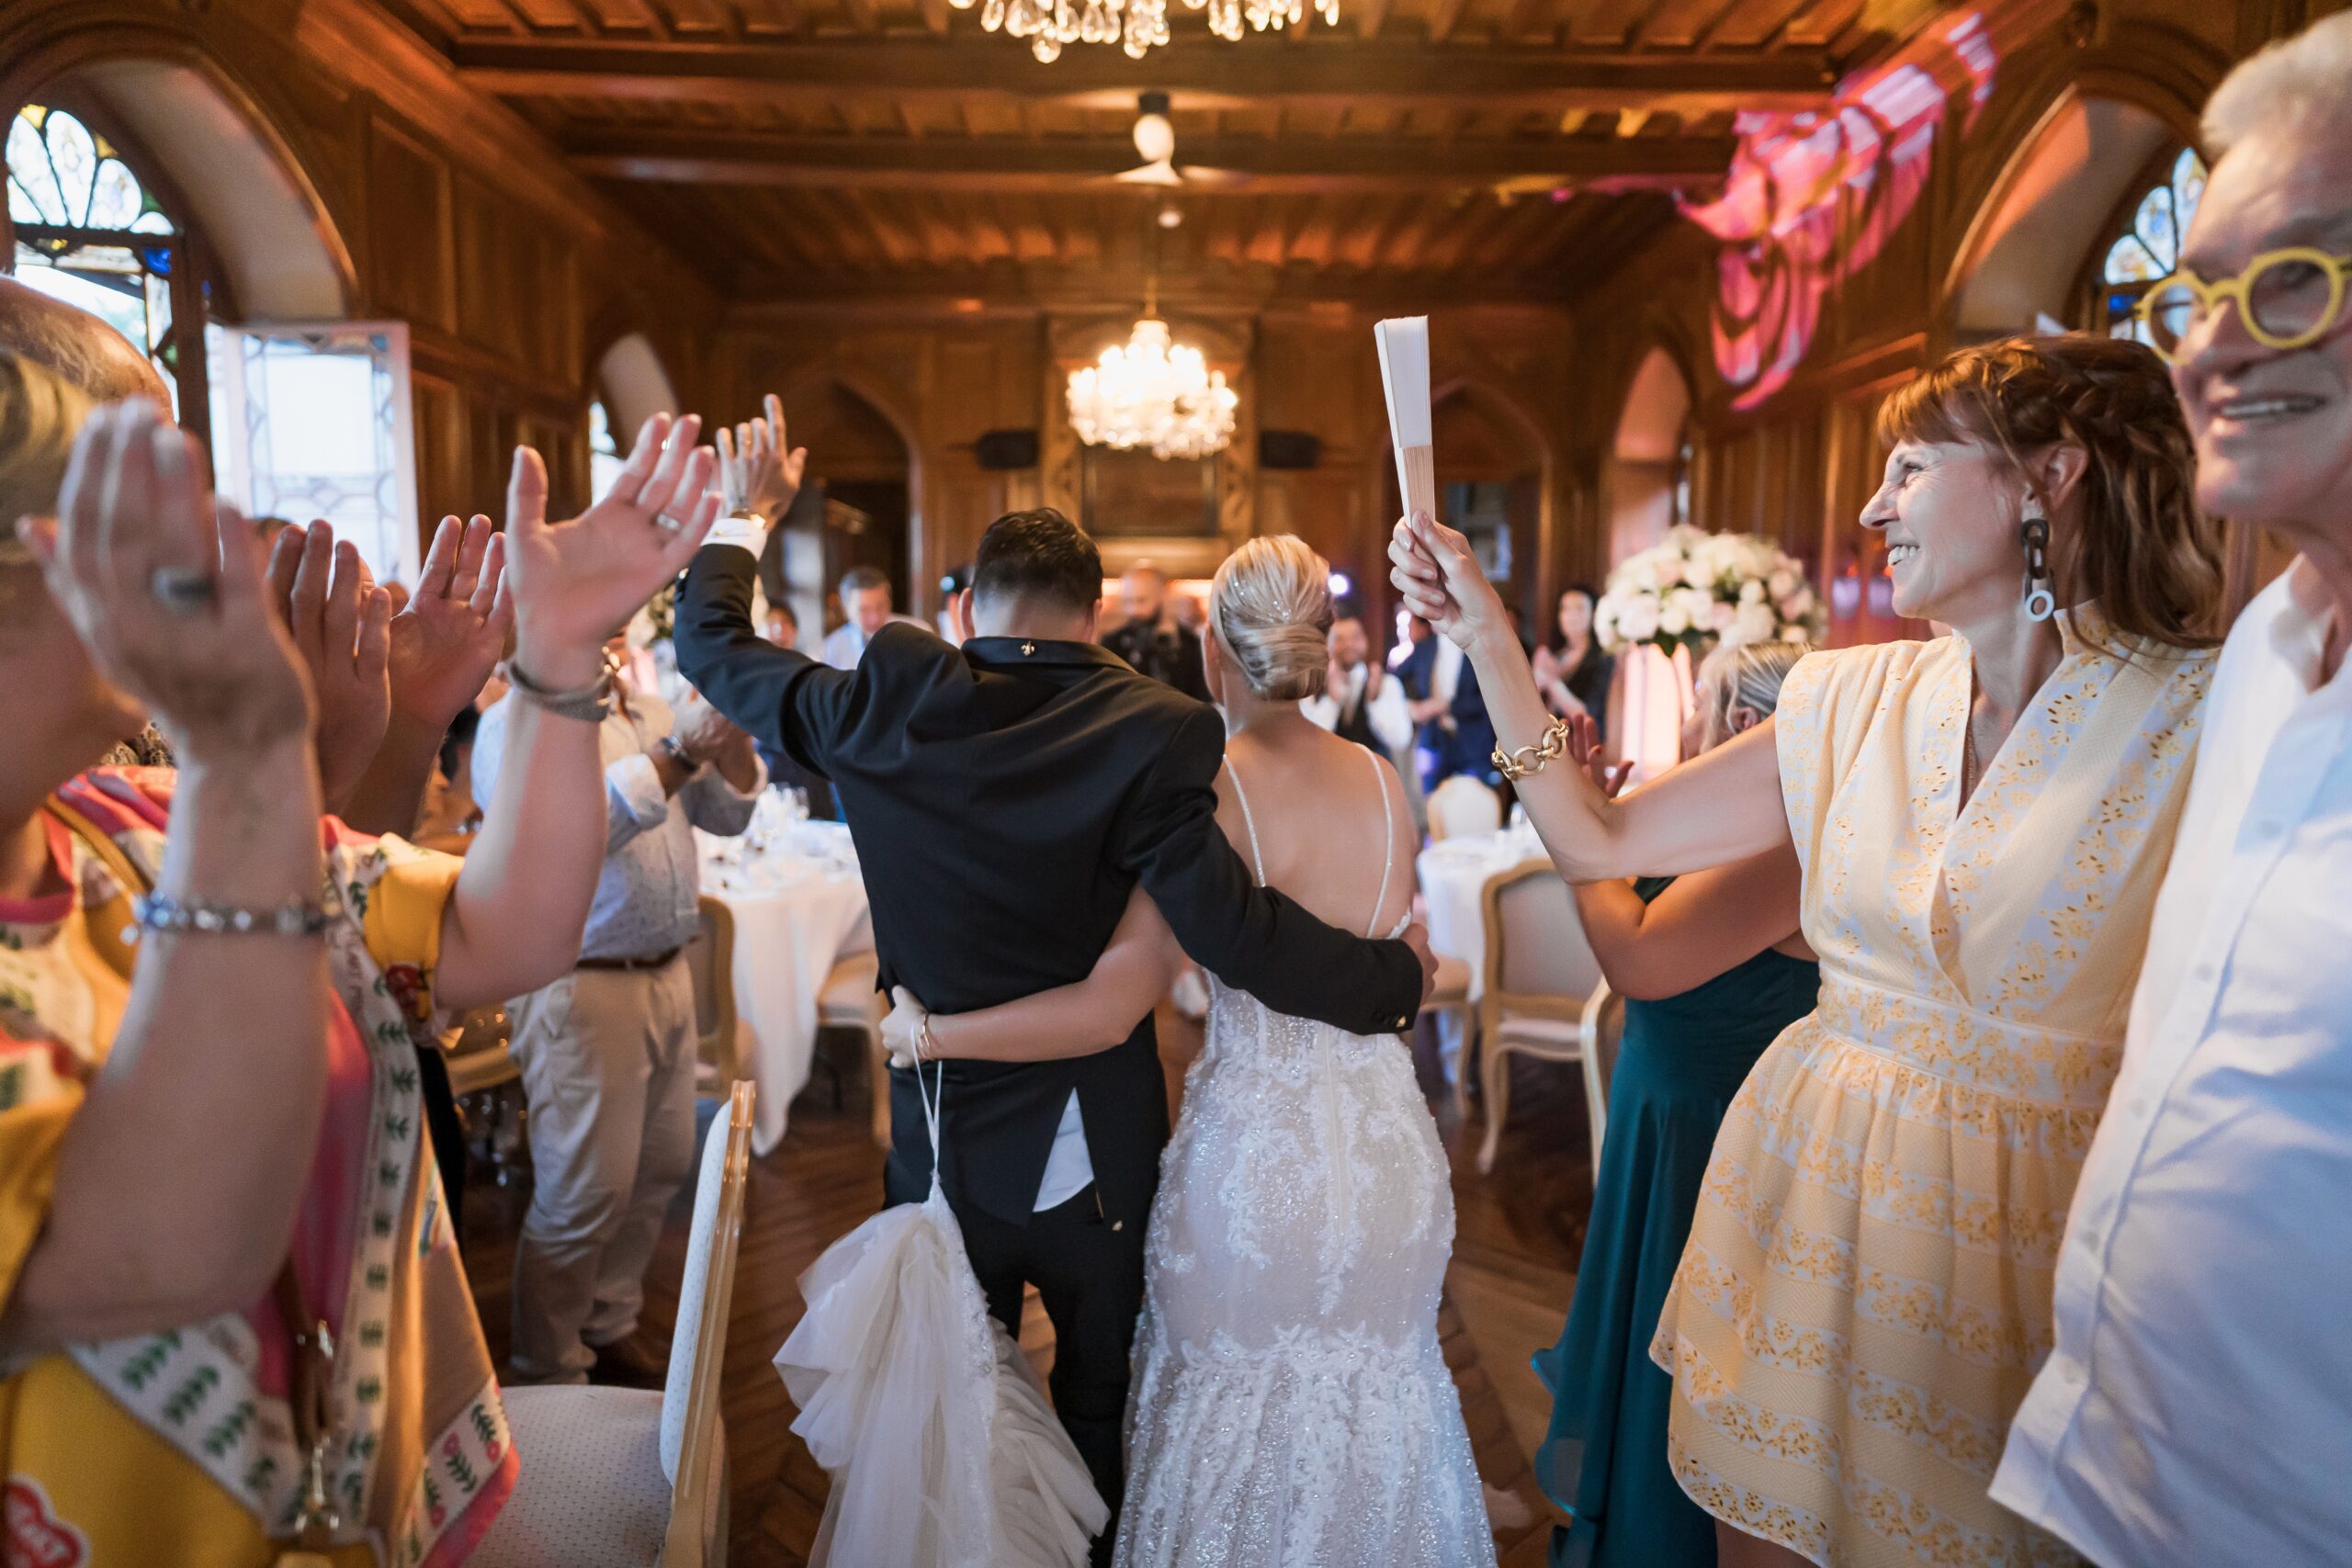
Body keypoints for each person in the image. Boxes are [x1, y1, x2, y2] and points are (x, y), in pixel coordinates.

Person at [1392, 333, 2224, 1568]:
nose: (1870, 504)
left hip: (2041, 1235)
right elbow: (1600, 828)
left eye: (1911, 468)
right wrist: (1491, 639)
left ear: (2050, 477)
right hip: (1808, 1194)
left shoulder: (2199, 713)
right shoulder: (1854, 700)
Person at [674, 403, 1431, 1558]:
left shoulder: (879, 701)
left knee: (947, 1409)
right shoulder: (1161, 730)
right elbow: (1234, 932)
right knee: (1094, 1402)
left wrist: (749, 512)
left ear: (970, 607)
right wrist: (1390, 980)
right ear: (1095, 619)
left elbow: (711, 644)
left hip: (941, 1141)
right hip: (1100, 1144)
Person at [0, 363, 721, 1563]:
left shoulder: (129, 820)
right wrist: (251, 759)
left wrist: (553, 658)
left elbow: (517, 927)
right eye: (140, 514)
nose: (206, 550)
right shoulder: (206, 805)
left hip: (356, 1495)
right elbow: (169, 1247)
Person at [883, 536, 1494, 1568]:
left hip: (1258, 1160)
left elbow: (1105, 1011)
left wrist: (926, 1034)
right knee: (1381, 1400)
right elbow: (1407, 957)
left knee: (1232, 1410)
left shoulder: (1204, 787)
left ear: (1213, 650)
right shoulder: (1385, 782)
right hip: (1389, 1153)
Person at [1989, 19, 2352, 1565]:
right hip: (2110, 1466)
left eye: (2294, 282)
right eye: (2194, 294)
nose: (2206, 346)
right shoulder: (2268, 653)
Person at [1531, 644, 1816, 1568]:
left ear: (1742, 729)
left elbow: (1637, 955)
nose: (1687, 730)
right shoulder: (1728, 824)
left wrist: (1576, 837)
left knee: (1686, 1366)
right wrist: (1600, 821)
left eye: (1698, 709)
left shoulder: (1786, 839)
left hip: (1713, 1133)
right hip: (1665, 1117)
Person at [473, 635, 763, 1385]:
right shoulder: (517, 724)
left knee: (660, 1167)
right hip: (579, 978)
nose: (610, 638)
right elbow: (569, 843)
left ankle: (610, 1321)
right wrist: (676, 749)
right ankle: (548, 1362)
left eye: (614, 621)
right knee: (586, 1188)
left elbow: (726, 818)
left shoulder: (652, 709)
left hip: (668, 967)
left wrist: (728, 740)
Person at [1302, 613, 1412, 761]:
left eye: (1355, 637)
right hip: (1330, 775)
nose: (1349, 644)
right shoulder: (1314, 688)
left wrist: (1375, 700)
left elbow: (1400, 740)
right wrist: (1331, 701)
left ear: (1365, 640)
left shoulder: (1387, 683)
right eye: (1340, 639)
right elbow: (1308, 744)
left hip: (1374, 775)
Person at [1103, 562, 1211, 702]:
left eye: (1141, 600)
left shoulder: (1190, 645)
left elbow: (1202, 699)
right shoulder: (1112, 644)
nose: (1133, 610)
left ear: (1161, 596)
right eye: (1127, 601)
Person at [1532, 584, 1614, 739]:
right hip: (1552, 744)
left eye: (1579, 608)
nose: (1571, 615)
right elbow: (1534, 707)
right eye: (1565, 609)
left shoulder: (1603, 659)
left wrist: (1552, 680)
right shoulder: (1555, 656)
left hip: (1583, 747)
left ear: (1594, 614)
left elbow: (1587, 715)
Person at [821, 563, 913, 670]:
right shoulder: (830, 649)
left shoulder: (919, 633)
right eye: (864, 610)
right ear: (844, 610)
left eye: (881, 606)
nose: (875, 618)